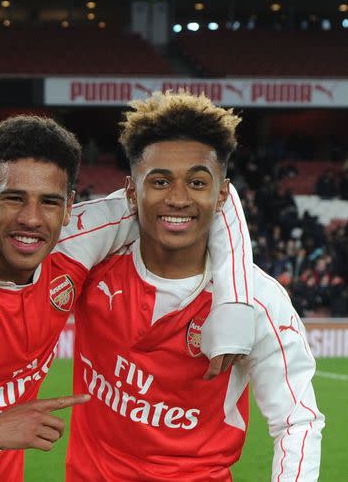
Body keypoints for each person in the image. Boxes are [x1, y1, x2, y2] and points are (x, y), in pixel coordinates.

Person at [0, 114, 253, 481]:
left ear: (70, 208)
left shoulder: (71, 245)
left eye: (50, 202)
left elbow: (198, 195)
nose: (31, 219)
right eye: (13, 198)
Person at [65, 91, 323, 480]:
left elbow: (296, 422)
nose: (179, 198)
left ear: (222, 194)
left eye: (198, 182)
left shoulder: (259, 299)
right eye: (161, 180)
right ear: (131, 192)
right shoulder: (93, 267)